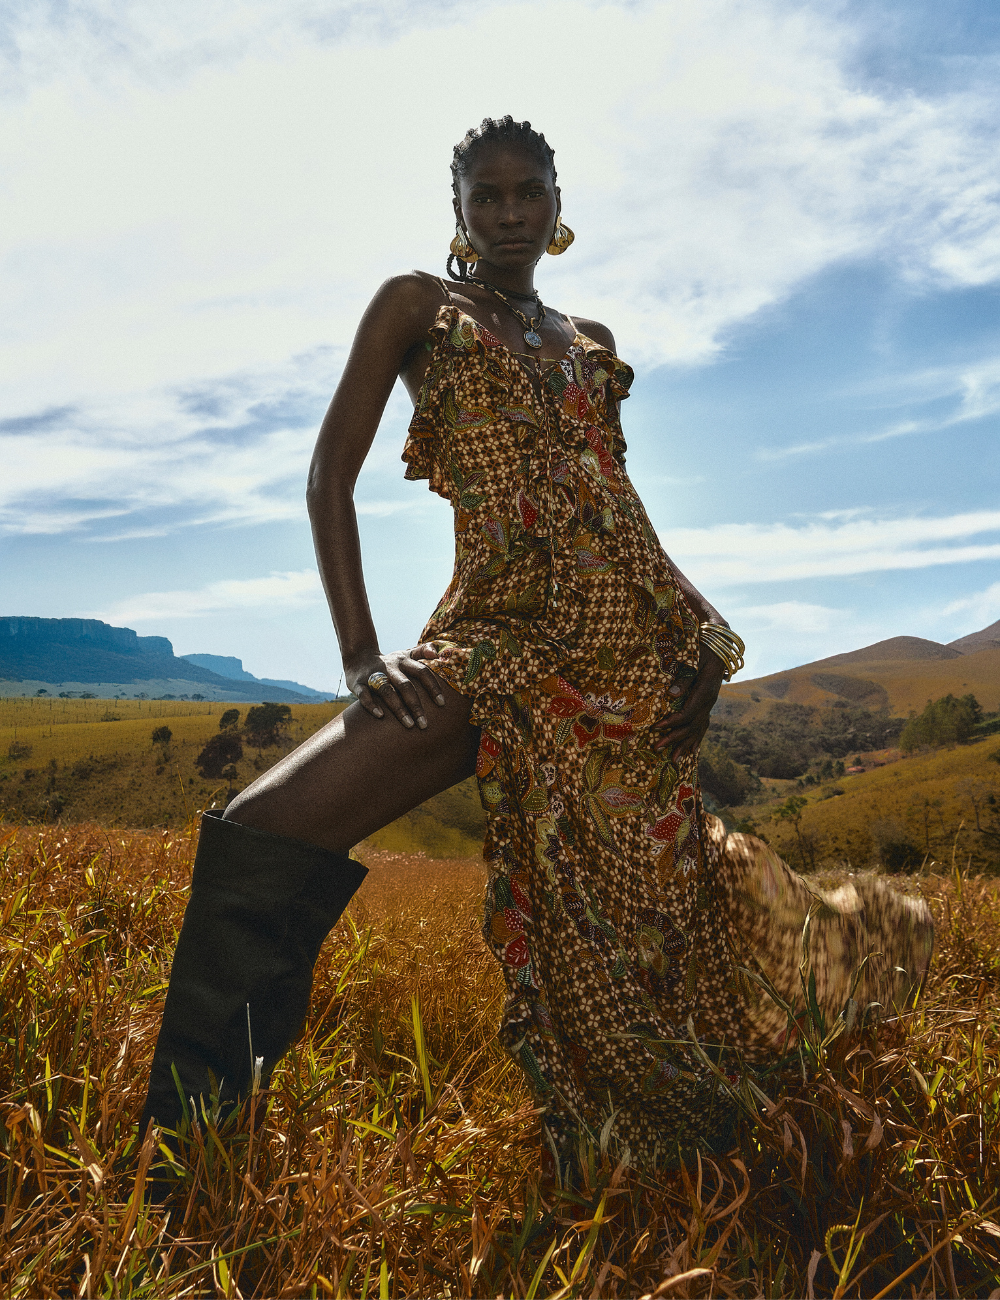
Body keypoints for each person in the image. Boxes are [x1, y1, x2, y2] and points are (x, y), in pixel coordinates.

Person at [140, 117, 933, 1177]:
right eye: (488, 195)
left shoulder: (586, 341)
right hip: (494, 639)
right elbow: (328, 477)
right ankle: (186, 1154)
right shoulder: (417, 306)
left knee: (633, 929)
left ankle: (698, 1141)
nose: (510, 212)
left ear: (558, 202)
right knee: (262, 828)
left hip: (621, 649)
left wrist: (699, 622)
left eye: (530, 192)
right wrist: (362, 656)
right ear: (458, 207)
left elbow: (615, 506)